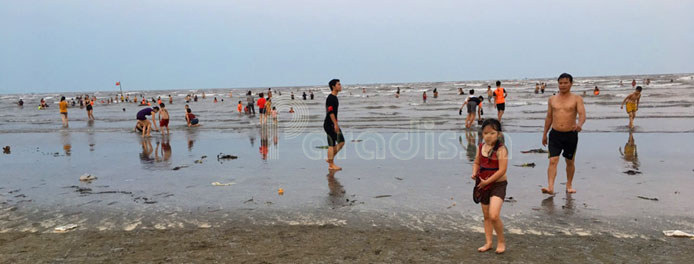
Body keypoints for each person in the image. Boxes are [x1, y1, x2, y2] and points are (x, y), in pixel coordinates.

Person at [541, 73, 586, 194]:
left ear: (571, 83)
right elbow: (549, 117)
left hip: (570, 134)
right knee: (553, 160)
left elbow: (582, 114)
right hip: (555, 134)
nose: (563, 85)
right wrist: (544, 134)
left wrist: (580, 125)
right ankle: (550, 187)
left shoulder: (576, 99)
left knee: (569, 161)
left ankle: (569, 184)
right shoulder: (552, 99)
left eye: (566, 83)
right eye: (560, 83)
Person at [471, 118, 508, 254]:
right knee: (486, 216)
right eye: (486, 133)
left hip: (498, 185)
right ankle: (488, 243)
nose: (488, 136)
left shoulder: (501, 149)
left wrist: (488, 181)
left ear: (498, 134)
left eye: (492, 133)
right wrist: (474, 172)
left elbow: (502, 170)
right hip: (482, 184)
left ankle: (501, 242)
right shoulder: (480, 147)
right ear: (482, 134)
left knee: (493, 215)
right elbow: (476, 162)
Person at [325, 79, 345, 170]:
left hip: (331, 123)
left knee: (339, 143)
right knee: (334, 144)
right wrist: (335, 124)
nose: (340, 86)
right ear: (333, 86)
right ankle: (331, 164)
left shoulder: (334, 97)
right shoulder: (331, 98)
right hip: (330, 124)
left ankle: (330, 159)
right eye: (338, 84)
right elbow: (330, 111)